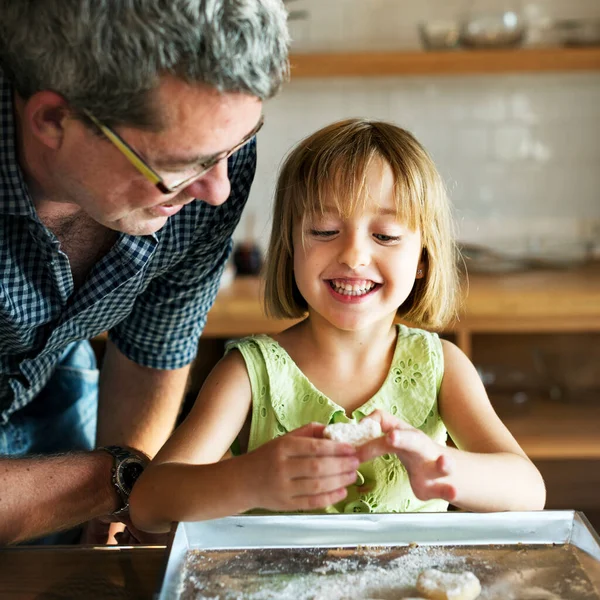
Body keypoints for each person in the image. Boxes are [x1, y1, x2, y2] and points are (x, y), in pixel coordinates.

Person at [130, 119, 546, 534]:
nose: (353, 256)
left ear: (422, 258)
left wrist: (444, 468)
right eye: (325, 230)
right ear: (290, 246)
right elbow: (149, 503)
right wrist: (248, 480)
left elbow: (528, 490)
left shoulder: (442, 367)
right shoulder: (249, 372)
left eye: (385, 235)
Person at [0, 0, 289, 545]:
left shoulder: (212, 167)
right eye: (180, 166)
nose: (219, 189)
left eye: (238, 145)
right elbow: (125, 478)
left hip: (51, 386)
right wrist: (117, 479)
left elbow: (153, 351)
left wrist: (111, 520)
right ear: (53, 121)